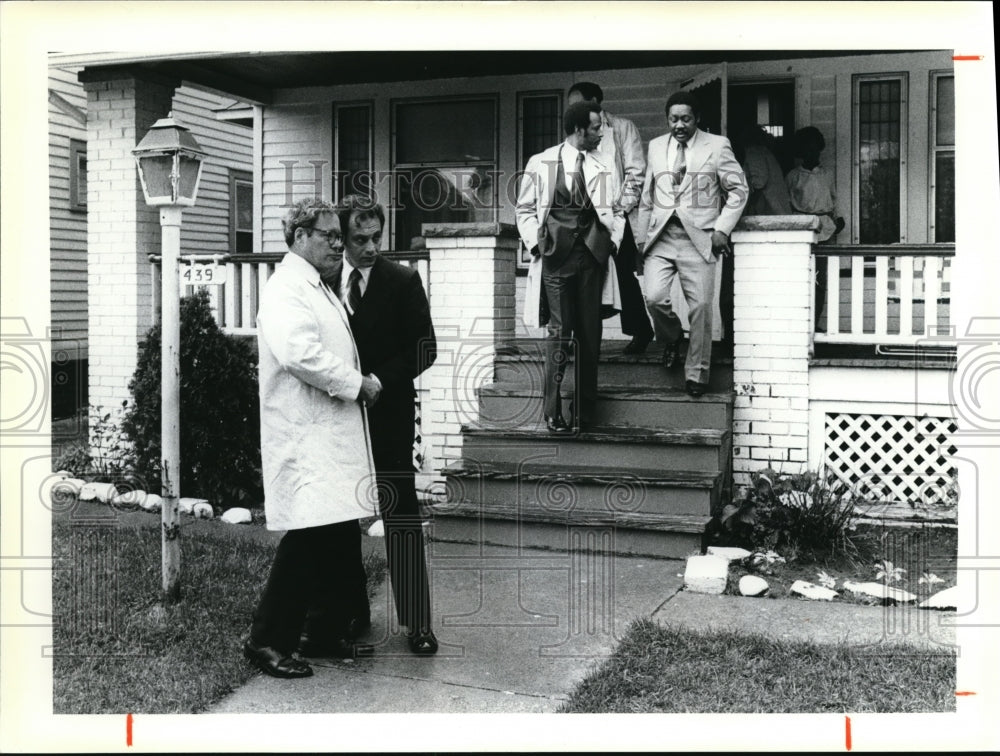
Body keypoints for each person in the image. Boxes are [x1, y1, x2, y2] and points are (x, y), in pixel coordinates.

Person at [244, 197, 382, 679]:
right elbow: (299, 353)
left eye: (337, 236)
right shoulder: (287, 288)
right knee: (307, 539)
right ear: (300, 236)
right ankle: (267, 640)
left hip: (328, 432)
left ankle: (321, 632)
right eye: (329, 235)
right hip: (305, 435)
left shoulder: (316, 286)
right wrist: (357, 383)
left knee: (338, 531)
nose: (338, 243)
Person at [313, 194, 440, 656]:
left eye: (375, 238)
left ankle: (418, 623)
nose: (369, 247)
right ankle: (352, 612)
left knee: (400, 513)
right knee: (342, 514)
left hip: (388, 416)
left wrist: (379, 380)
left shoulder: (402, 281)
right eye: (358, 239)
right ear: (340, 239)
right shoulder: (324, 284)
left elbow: (426, 349)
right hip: (338, 416)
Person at [516, 100, 624, 432]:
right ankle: (552, 410)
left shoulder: (604, 163)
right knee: (559, 334)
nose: (601, 133)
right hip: (555, 259)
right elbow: (525, 209)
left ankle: (584, 410)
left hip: (592, 257)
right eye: (596, 127)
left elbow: (616, 209)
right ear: (579, 129)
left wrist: (612, 243)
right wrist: (536, 245)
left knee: (590, 334)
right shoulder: (543, 161)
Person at [635, 91, 749, 397]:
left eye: (686, 118)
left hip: (698, 238)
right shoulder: (657, 146)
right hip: (660, 237)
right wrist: (640, 238)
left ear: (697, 118)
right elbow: (647, 198)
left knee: (700, 307)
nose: (679, 125)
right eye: (673, 119)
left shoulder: (717, 145)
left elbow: (739, 190)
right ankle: (671, 337)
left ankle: (697, 374)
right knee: (655, 298)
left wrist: (722, 229)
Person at [567, 82, 655, 354]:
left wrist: (620, 209)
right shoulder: (575, 132)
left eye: (578, 103)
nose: (573, 109)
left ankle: (640, 330)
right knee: (579, 275)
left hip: (617, 216)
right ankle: (577, 336)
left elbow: (635, 173)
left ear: (595, 101)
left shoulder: (622, 128)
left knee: (623, 274)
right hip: (583, 217)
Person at [785, 126, 845, 330]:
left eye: (815, 149)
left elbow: (832, 201)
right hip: (800, 232)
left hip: (825, 231)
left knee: (820, 281)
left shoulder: (827, 174)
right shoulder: (793, 176)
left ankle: (814, 323)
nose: (812, 153)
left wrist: (835, 223)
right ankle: (798, 324)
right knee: (800, 280)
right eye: (807, 149)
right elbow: (787, 204)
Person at [738, 124, 792, 216]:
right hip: (778, 207)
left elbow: (759, 182)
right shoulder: (764, 152)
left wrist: (750, 205)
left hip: (770, 208)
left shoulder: (754, 153)